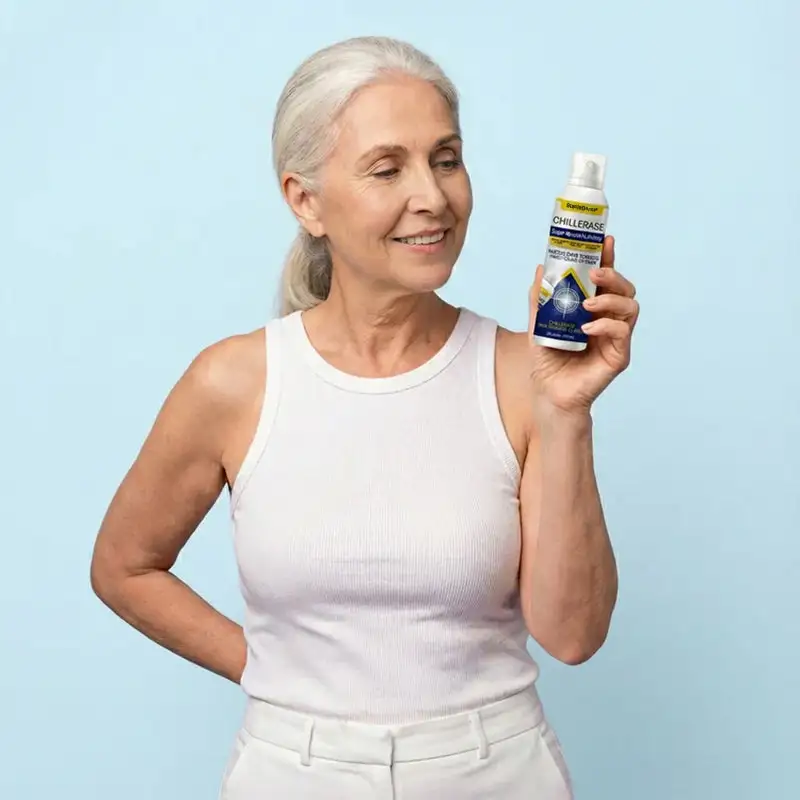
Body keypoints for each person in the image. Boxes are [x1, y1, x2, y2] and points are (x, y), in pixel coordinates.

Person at [90, 35, 638, 800]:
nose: (433, 196)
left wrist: (567, 413)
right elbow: (123, 567)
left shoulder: (522, 375)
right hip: (292, 774)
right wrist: (275, 676)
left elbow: (573, 636)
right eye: (388, 169)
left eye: (446, 159)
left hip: (496, 772)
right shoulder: (234, 383)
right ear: (305, 201)